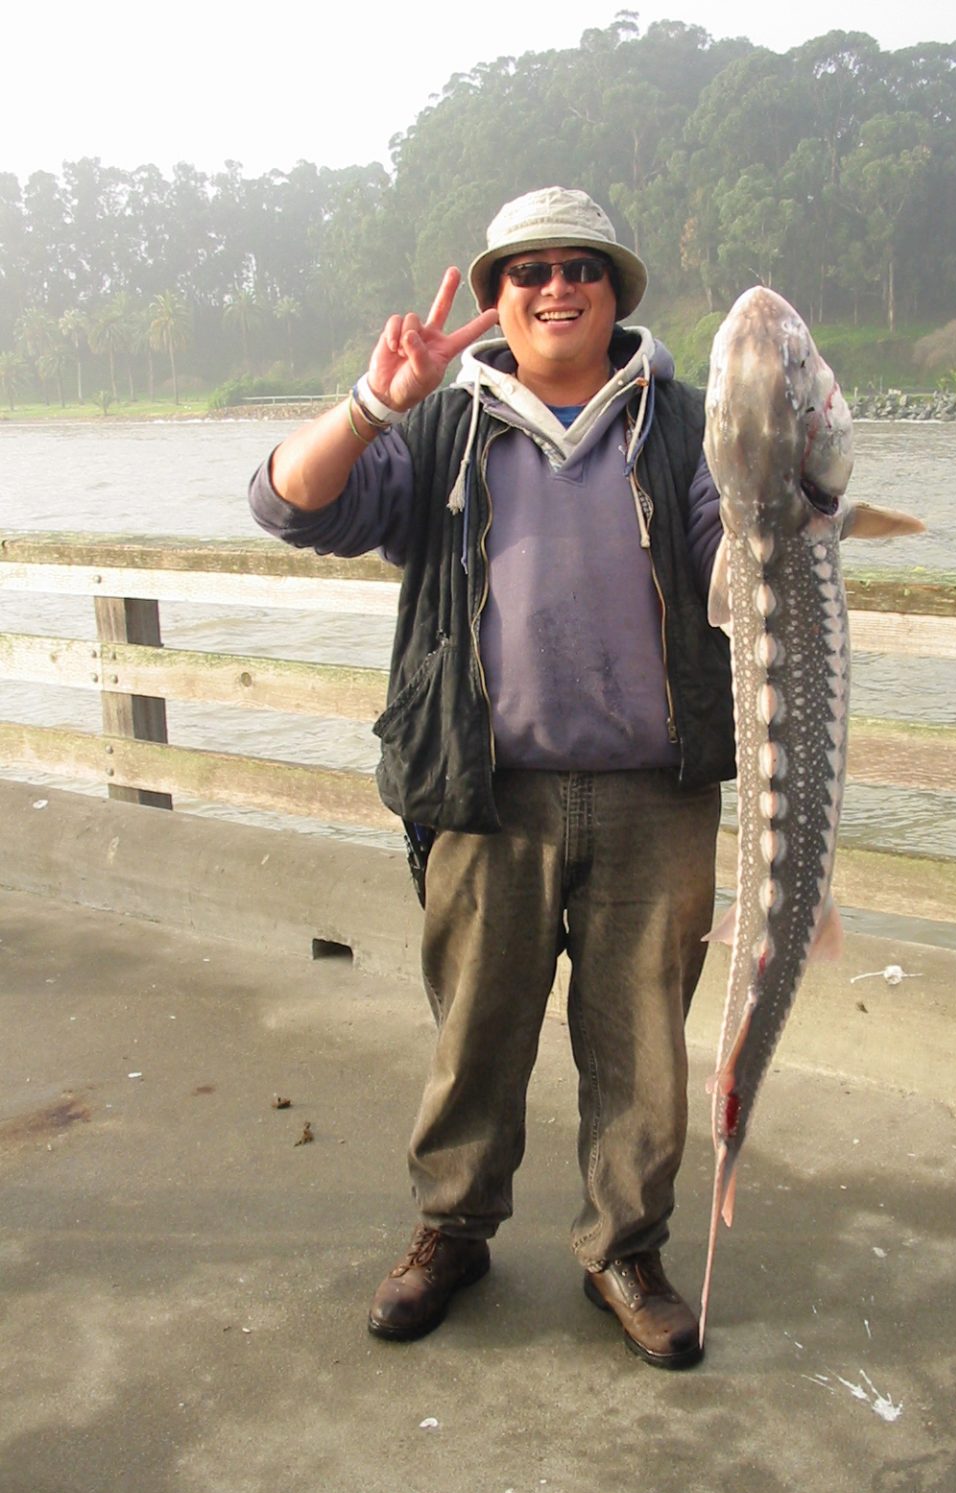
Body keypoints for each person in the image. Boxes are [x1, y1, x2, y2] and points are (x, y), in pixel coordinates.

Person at [249, 187, 734, 1369]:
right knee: (476, 1033)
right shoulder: (441, 428)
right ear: (494, 301)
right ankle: (451, 1231)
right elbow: (287, 504)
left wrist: (803, 504)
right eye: (527, 271)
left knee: (643, 1044)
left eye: (580, 267)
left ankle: (626, 1248)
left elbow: (741, 558)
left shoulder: (680, 424)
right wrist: (377, 402)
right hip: (481, 787)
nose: (555, 287)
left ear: (616, 293)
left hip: (653, 793)